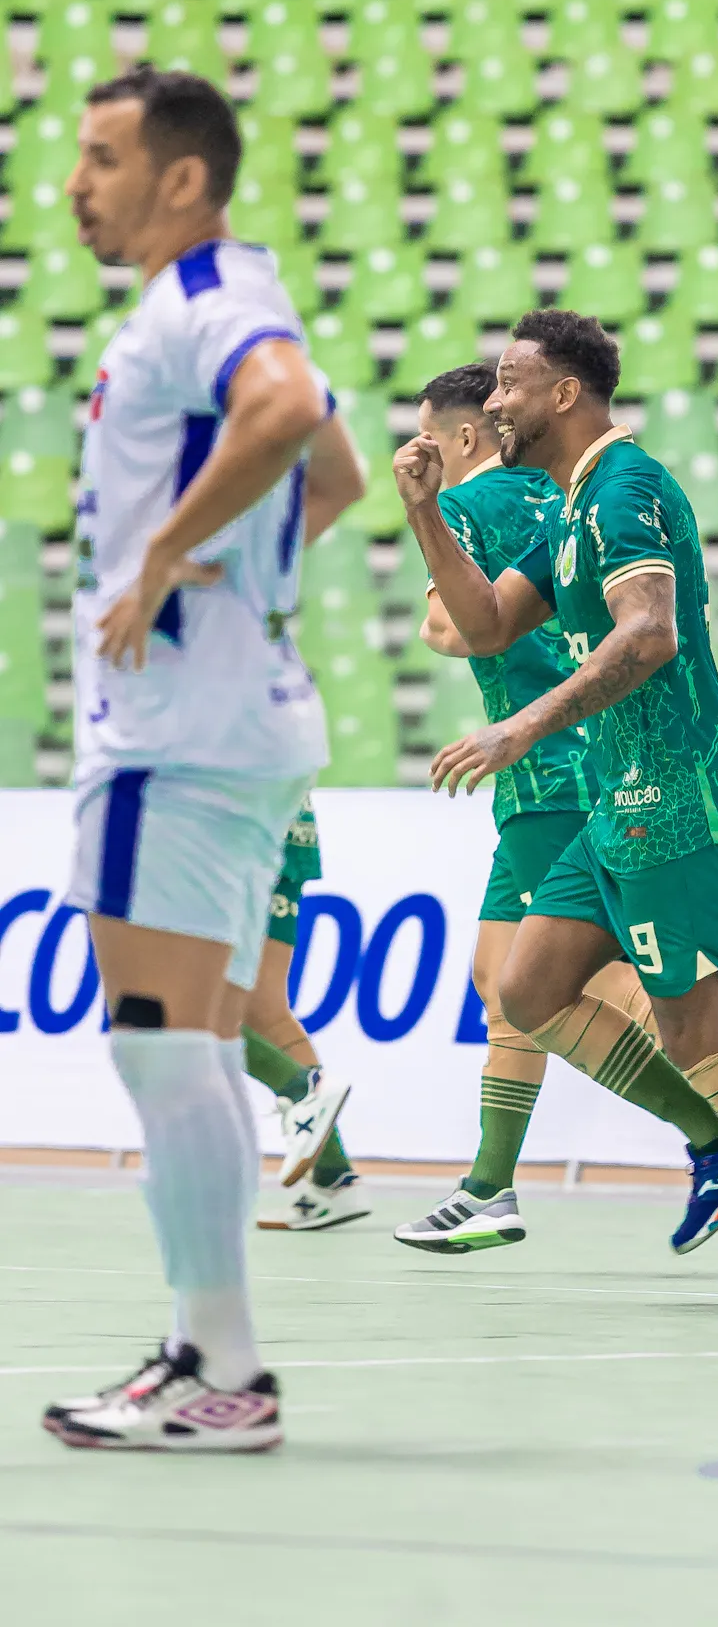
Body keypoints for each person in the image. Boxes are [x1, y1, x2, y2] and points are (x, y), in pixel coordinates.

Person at [392, 310, 718, 1309]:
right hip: (611, 801)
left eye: (511, 383)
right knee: (527, 988)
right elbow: (487, 624)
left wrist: (519, 729)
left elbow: (651, 633)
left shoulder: (626, 488)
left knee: (700, 1032)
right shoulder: (572, 506)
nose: (494, 402)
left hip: (677, 799)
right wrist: (422, 515)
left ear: (564, 393)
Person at [43, 65, 331, 1452]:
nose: (74, 185)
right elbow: (329, 479)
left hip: (173, 738)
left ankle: (223, 1369)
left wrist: (166, 560)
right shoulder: (234, 291)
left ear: (180, 177)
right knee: (194, 1045)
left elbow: (283, 414)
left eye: (100, 159)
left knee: (158, 1051)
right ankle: (205, 1356)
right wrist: (231, 579)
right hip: (235, 720)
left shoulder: (205, 302)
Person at [391, 363, 652, 1254]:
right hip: (586, 755)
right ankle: (490, 1188)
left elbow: (449, 628)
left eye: (429, 431)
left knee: (567, 978)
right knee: (500, 983)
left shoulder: (467, 504)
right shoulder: (557, 495)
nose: (420, 449)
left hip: (546, 773)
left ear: (461, 439)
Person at [246, 417, 371, 1232]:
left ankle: (303, 1095)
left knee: (179, 1011)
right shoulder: (261, 570)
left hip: (236, 804)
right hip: (281, 802)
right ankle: (335, 1180)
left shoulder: (217, 572)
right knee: (262, 1011)